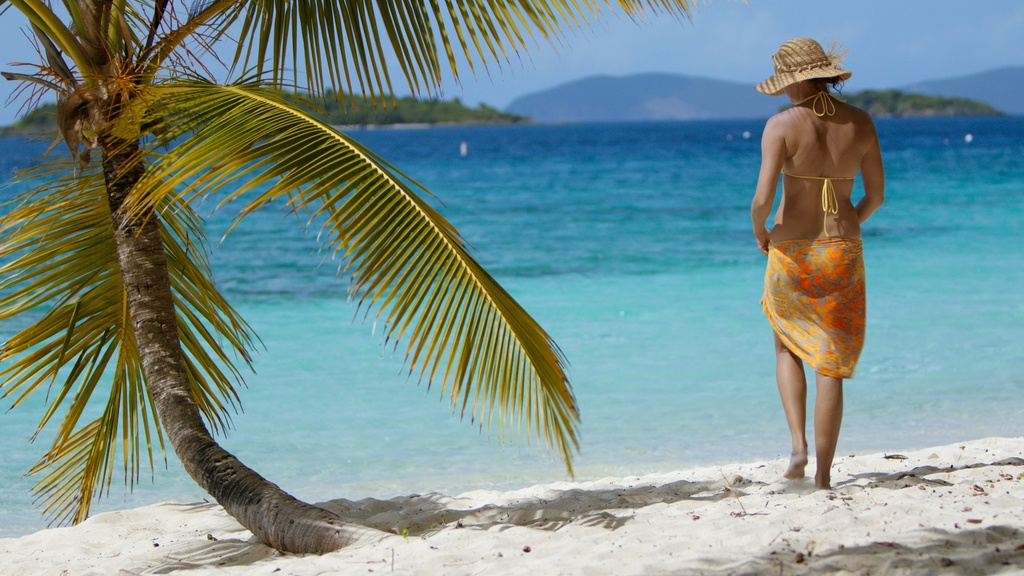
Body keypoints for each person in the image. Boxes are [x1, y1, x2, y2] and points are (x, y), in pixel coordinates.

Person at [750, 38, 885, 490]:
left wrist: (760, 232)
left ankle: (798, 449)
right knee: (831, 363)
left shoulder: (782, 125)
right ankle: (824, 478)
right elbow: (877, 196)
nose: (785, 91)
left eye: (787, 83)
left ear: (799, 80)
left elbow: (763, 199)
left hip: (793, 252)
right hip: (843, 251)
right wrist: (849, 222)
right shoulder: (862, 122)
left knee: (788, 347)